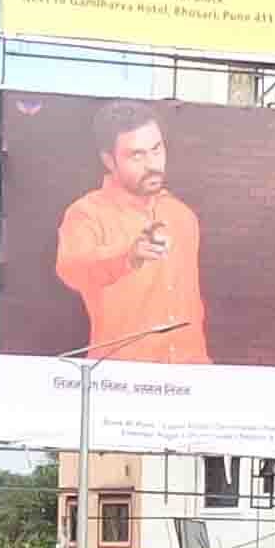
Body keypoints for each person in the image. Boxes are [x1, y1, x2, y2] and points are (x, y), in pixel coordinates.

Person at [50, 109, 212, 366]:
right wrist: (129, 256)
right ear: (109, 161)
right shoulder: (86, 213)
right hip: (123, 382)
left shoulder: (182, 215)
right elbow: (72, 268)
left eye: (157, 149)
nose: (153, 164)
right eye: (137, 155)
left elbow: (192, 308)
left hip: (190, 375)